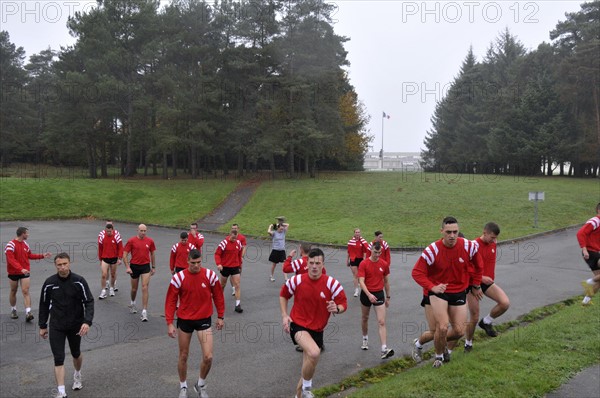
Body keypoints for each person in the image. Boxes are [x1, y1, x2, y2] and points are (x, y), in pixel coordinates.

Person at [412, 216, 483, 368]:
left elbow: (479, 266)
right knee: (441, 327)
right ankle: (439, 358)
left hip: (458, 291)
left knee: (458, 331)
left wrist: (476, 285)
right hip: (438, 292)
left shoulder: (469, 247)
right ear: (442, 231)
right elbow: (417, 272)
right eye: (448, 232)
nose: (452, 236)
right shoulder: (432, 250)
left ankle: (419, 342)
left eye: (455, 232)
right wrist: (432, 287)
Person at [280, 248, 347, 398]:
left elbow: (343, 303)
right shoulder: (297, 280)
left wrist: (336, 308)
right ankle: (307, 388)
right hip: (298, 324)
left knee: (309, 363)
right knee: (315, 353)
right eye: (311, 263)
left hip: (317, 329)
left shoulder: (331, 283)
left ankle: (298, 394)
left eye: (318, 263)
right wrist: (285, 315)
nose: (314, 266)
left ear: (323, 265)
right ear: (307, 263)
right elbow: (283, 295)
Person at [165, 249, 225, 398]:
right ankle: (183, 386)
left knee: (208, 356)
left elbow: (218, 295)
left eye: (199, 263)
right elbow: (171, 301)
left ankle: (200, 385)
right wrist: (169, 322)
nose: (196, 266)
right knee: (183, 356)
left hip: (203, 320)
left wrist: (221, 316)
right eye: (193, 263)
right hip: (185, 321)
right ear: (187, 261)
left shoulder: (210, 276)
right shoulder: (178, 278)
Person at [38, 253, 94, 398]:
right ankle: (61, 391)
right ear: (55, 266)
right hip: (57, 325)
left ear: (69, 263)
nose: (62, 267)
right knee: (58, 357)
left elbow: (89, 301)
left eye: (65, 264)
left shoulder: (79, 281)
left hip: (76, 325)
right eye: (59, 265)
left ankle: (77, 374)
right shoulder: (49, 283)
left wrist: (87, 322)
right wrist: (42, 325)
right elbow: (43, 305)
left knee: (76, 353)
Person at [463, 222, 510, 351]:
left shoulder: (493, 243)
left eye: (496, 238)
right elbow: (465, 267)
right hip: (473, 284)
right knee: (474, 315)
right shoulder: (473, 246)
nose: (494, 240)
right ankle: (468, 343)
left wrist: (493, 240)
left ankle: (487, 322)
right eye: (492, 237)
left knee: (505, 303)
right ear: (484, 233)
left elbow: (492, 240)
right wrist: (480, 278)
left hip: (488, 284)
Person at [5, 226, 52, 321]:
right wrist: (20, 268)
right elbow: (11, 260)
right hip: (14, 272)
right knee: (13, 290)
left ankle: (28, 312)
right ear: (23, 234)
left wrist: (42, 256)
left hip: (25, 271)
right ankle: (13, 310)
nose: (28, 235)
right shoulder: (10, 245)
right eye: (27, 233)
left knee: (25, 291)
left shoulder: (25, 244)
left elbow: (29, 255)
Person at [357, 242, 394, 359]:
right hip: (366, 293)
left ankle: (384, 349)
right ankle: (365, 339)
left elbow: (387, 282)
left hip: (379, 294)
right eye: (375, 252)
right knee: (365, 318)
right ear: (371, 250)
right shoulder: (364, 263)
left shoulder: (384, 264)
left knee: (381, 322)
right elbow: (361, 281)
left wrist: (388, 297)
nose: (377, 255)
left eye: (379, 253)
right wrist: (368, 295)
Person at [123, 224, 156, 322]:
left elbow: (152, 253)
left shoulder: (150, 241)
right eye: (141, 231)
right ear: (137, 230)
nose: (143, 233)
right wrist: (128, 267)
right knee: (134, 289)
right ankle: (132, 303)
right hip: (134, 267)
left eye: (145, 231)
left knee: (145, 287)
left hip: (145, 266)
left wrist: (153, 267)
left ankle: (144, 312)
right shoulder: (131, 241)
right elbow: (124, 254)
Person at [214, 229, 244, 313]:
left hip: (235, 267)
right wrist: (219, 264)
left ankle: (238, 305)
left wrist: (240, 264)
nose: (234, 240)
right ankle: (219, 301)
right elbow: (217, 254)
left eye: (236, 238)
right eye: (233, 238)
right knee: (222, 285)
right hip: (225, 267)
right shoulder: (223, 243)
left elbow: (239, 254)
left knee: (237, 284)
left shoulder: (238, 243)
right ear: (229, 235)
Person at [577, 203, 600, 305]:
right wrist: (584, 249)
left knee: (599, 280)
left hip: (595, 252)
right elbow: (580, 233)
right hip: (590, 252)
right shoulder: (595, 220)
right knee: (597, 279)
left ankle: (585, 301)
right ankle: (589, 282)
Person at [97, 223, 123, 299]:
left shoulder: (117, 236)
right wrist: (100, 259)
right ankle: (103, 291)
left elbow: (120, 247)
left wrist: (119, 258)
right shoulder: (102, 236)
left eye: (110, 231)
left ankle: (111, 288)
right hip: (105, 258)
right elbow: (100, 248)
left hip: (114, 258)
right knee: (103, 274)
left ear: (112, 230)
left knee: (113, 274)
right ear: (105, 230)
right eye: (107, 231)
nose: (108, 233)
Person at [347, 228, 368, 297]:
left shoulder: (363, 241)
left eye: (358, 232)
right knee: (355, 275)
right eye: (356, 232)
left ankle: (361, 285)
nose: (357, 233)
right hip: (353, 259)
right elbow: (348, 252)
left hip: (361, 259)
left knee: (361, 275)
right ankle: (356, 290)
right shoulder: (351, 242)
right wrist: (347, 260)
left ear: (360, 233)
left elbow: (365, 251)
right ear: (354, 233)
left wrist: (364, 260)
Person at [229, 223, 247, 296]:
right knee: (231, 274)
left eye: (235, 228)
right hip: (230, 259)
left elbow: (244, 247)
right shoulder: (228, 237)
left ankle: (236, 285)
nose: (234, 229)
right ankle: (234, 288)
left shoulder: (242, 238)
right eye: (233, 228)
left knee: (238, 273)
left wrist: (241, 257)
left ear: (238, 229)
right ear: (231, 229)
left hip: (238, 259)